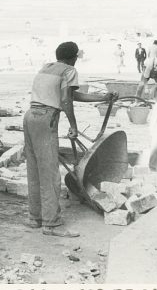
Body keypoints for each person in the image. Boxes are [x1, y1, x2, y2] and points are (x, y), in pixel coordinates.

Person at [24, 41, 117, 238]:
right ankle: (52, 224)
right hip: (45, 118)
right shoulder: (69, 70)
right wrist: (73, 126)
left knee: (35, 169)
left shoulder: (47, 68)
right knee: (50, 173)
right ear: (73, 57)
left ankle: (35, 218)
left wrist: (103, 98)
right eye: (76, 57)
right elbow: (66, 100)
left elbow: (72, 95)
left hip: (31, 116)